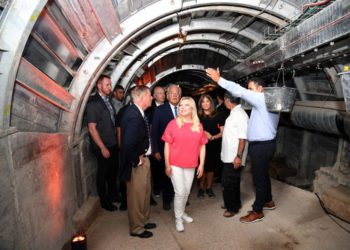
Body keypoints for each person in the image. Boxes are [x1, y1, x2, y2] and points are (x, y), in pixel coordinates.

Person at [206, 68, 279, 223]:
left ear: (260, 89)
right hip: (267, 144)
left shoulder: (261, 98)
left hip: (261, 146)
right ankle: (268, 200)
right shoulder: (271, 102)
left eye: (251, 89)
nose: (249, 92)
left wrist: (220, 80)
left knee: (258, 179)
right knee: (263, 174)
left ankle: (257, 210)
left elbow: (239, 91)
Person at [162, 97, 207, 232]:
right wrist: (167, 164)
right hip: (175, 163)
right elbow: (167, 146)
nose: (182, 107)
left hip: (191, 164)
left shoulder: (198, 125)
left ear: (192, 108)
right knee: (180, 192)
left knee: (186, 192)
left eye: (186, 105)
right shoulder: (173, 124)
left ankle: (182, 213)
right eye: (180, 105)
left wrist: (201, 165)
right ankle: (178, 219)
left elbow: (202, 146)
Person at [119, 86, 156, 238]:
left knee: (145, 194)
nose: (152, 98)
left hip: (144, 160)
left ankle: (144, 220)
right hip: (136, 164)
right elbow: (126, 143)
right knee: (136, 197)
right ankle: (137, 228)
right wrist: (137, 161)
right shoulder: (133, 115)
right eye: (149, 95)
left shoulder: (138, 112)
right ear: (141, 98)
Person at [86, 75, 118, 211]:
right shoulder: (93, 103)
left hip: (112, 142)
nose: (110, 87)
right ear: (99, 86)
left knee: (112, 172)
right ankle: (104, 202)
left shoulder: (108, 100)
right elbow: (92, 128)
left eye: (110, 85)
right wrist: (102, 148)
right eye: (107, 85)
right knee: (103, 173)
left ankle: (113, 195)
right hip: (102, 145)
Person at [152, 84, 181, 210]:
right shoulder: (159, 110)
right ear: (167, 95)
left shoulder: (184, 108)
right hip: (166, 149)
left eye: (177, 93)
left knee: (180, 174)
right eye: (172, 93)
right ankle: (167, 199)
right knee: (167, 175)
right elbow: (155, 132)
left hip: (182, 150)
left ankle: (180, 197)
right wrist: (156, 149)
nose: (175, 96)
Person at [221, 93, 249, 218]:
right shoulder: (234, 112)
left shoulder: (240, 114)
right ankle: (232, 203)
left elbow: (242, 138)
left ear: (227, 100)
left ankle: (232, 208)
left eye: (224, 100)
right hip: (229, 156)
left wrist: (238, 156)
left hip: (234, 157)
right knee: (231, 182)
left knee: (229, 182)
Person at [197, 94, 224, 198]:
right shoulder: (197, 116)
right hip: (200, 146)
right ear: (200, 104)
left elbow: (222, 132)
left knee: (211, 168)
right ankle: (201, 188)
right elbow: (192, 130)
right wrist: (203, 132)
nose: (205, 103)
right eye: (203, 102)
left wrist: (212, 137)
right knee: (201, 167)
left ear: (211, 103)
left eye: (207, 101)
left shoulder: (219, 115)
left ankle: (209, 188)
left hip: (213, 145)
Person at [145, 86, 166, 198]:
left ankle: (165, 187)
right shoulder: (149, 110)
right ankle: (157, 188)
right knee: (156, 167)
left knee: (166, 167)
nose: (163, 95)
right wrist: (154, 148)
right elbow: (150, 131)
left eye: (163, 93)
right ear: (154, 96)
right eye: (160, 93)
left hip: (167, 143)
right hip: (156, 143)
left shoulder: (169, 107)